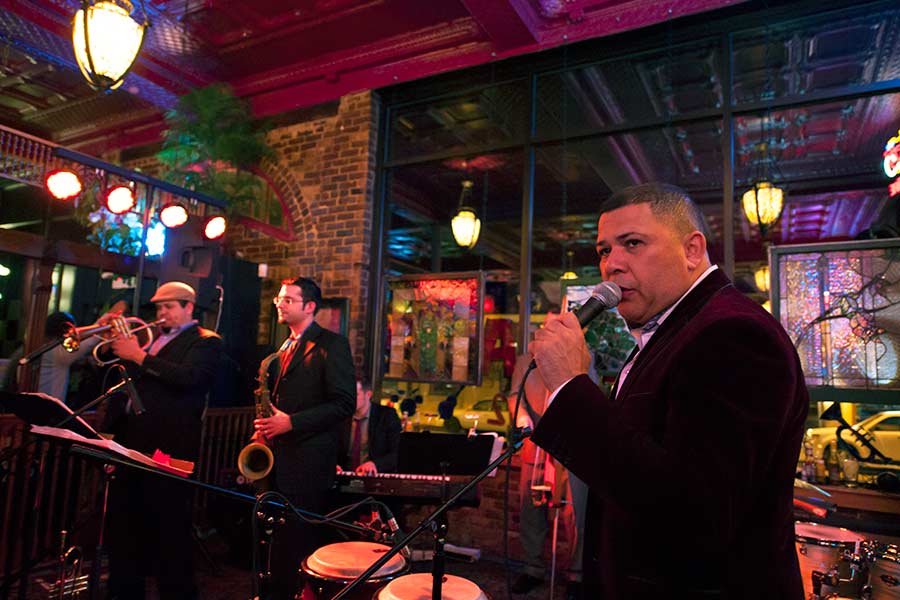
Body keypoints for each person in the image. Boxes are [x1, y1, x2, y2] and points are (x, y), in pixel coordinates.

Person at [528, 183, 808, 599]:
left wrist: (571, 385)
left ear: (692, 249)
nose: (612, 265)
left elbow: (694, 515)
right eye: (605, 250)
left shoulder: (734, 334)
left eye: (633, 243)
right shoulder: (670, 332)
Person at [102, 281, 223, 600]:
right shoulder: (151, 338)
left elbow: (190, 378)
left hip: (168, 447)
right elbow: (121, 377)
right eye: (158, 307)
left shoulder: (205, 342)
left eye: (169, 306)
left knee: (169, 532)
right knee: (124, 530)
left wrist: (139, 356)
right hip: (130, 444)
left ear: (189, 308)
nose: (161, 313)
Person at [254, 276, 355, 600]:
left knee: (298, 546)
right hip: (279, 460)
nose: (279, 304)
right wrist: (266, 428)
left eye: (288, 300)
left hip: (309, 463)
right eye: (279, 299)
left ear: (310, 306)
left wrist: (291, 423)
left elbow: (344, 403)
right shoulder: (283, 346)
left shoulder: (331, 344)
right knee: (276, 546)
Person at [508, 353, 587, 599]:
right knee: (530, 508)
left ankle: (577, 573)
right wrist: (522, 419)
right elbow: (515, 395)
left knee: (575, 511)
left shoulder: (582, 354)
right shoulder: (526, 360)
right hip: (536, 442)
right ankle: (533, 568)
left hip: (571, 444)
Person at [338, 378, 402, 475]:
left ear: (368, 395)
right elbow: (330, 448)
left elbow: (396, 454)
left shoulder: (386, 416)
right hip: (344, 477)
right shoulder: (341, 416)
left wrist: (375, 464)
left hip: (375, 478)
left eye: (355, 394)